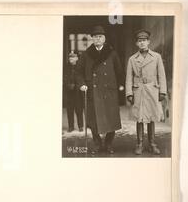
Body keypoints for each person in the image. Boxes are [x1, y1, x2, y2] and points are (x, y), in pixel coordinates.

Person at [76, 25, 124, 154]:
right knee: (93, 120)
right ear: (92, 39)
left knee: (111, 119)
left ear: (104, 38)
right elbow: (78, 72)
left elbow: (119, 71)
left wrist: (120, 86)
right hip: (93, 91)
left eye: (100, 36)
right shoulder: (86, 55)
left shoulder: (112, 53)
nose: (97, 39)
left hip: (109, 91)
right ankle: (97, 144)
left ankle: (108, 144)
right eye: (95, 37)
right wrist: (82, 84)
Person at [125, 29, 167, 155]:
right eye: (139, 41)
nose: (142, 43)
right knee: (140, 117)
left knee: (151, 117)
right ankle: (139, 144)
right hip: (139, 90)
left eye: (144, 40)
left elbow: (162, 75)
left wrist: (162, 92)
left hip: (152, 89)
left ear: (148, 42)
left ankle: (152, 143)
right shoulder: (132, 59)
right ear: (136, 44)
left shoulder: (156, 57)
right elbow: (128, 77)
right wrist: (129, 93)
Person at [64, 51, 84, 132]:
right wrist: (68, 85)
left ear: (77, 58)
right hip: (69, 92)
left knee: (79, 109)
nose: (70, 59)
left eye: (72, 57)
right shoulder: (66, 67)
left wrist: (79, 86)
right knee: (70, 110)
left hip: (78, 92)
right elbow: (64, 78)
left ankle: (80, 126)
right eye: (70, 57)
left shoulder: (80, 67)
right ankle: (71, 126)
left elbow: (82, 78)